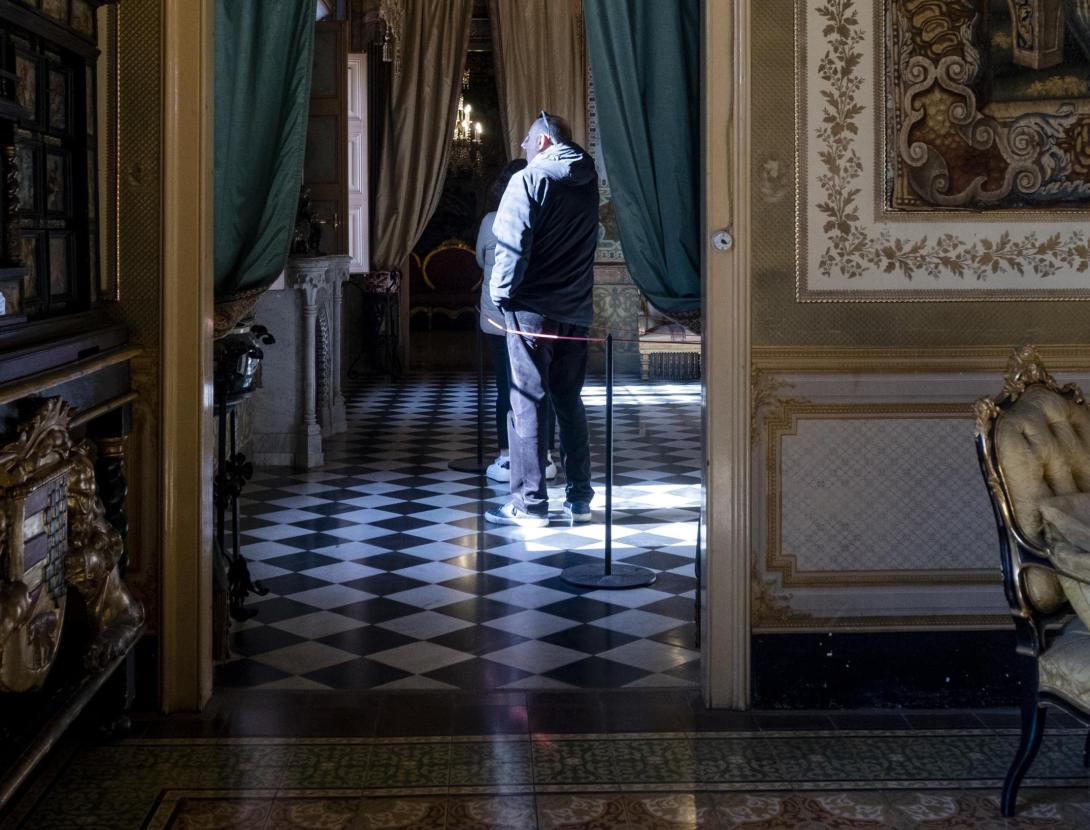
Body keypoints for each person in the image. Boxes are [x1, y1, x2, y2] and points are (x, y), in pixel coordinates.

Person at [485, 112, 598, 528]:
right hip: (576, 310)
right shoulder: (588, 180)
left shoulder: (528, 180)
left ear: (545, 141)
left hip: (532, 312)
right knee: (569, 400)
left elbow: (511, 248)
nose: (523, 148)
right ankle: (580, 497)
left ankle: (529, 503)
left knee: (527, 403)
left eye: (528, 141)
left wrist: (501, 297)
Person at [475, 161, 558, 484]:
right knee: (540, 386)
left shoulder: (491, 221)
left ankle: (507, 456)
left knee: (505, 387)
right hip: (537, 314)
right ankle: (544, 455)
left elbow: (481, 259)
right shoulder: (545, 220)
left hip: (497, 316)